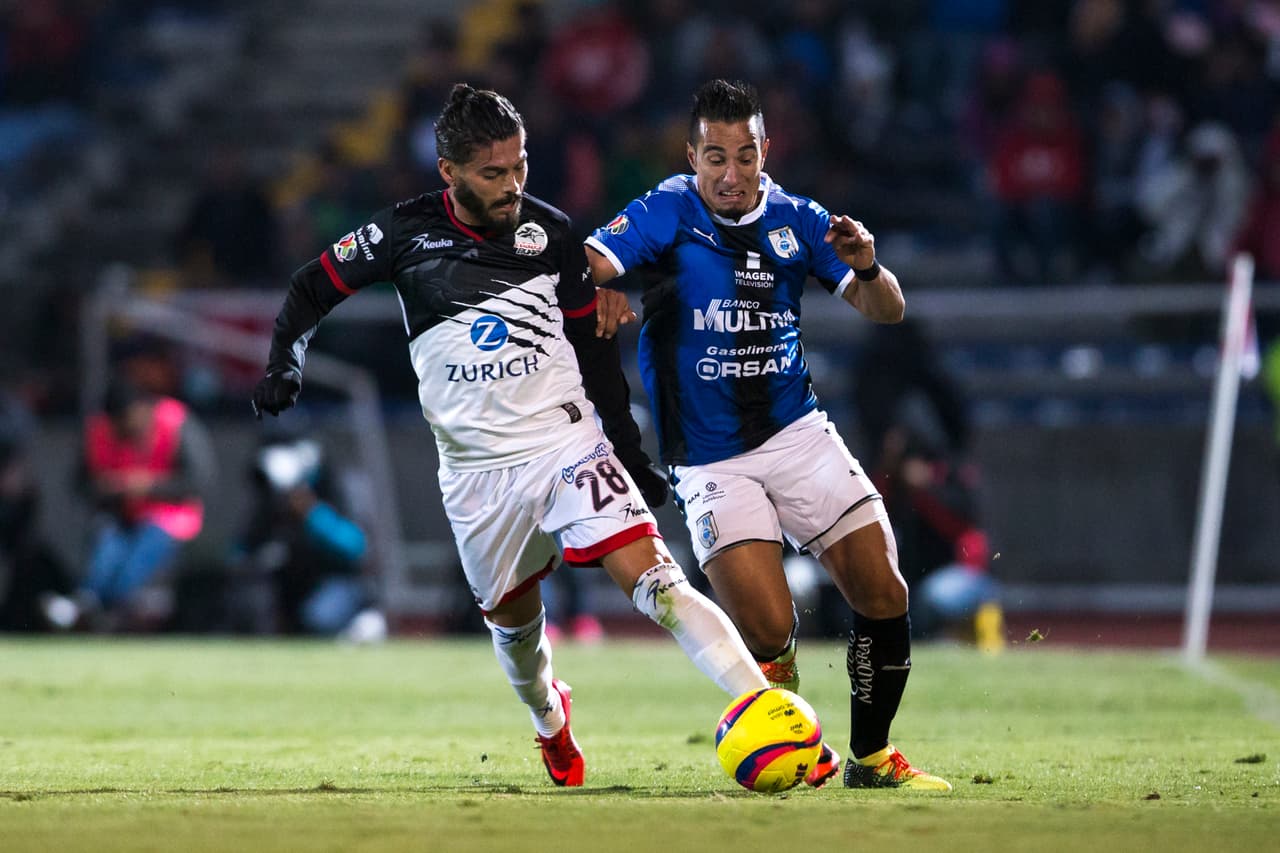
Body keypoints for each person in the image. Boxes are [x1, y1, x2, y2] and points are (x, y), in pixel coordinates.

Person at [250, 84, 838, 788]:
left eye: (520, 166)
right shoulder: (401, 234)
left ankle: (774, 716)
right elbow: (312, 286)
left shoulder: (552, 235)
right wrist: (286, 360)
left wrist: (624, 446)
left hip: (565, 444)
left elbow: (594, 352)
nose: (512, 186)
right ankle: (549, 719)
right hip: (474, 474)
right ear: (449, 173)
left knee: (658, 581)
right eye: (493, 175)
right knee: (517, 633)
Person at [584, 79, 951, 790]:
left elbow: (888, 309)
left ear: (765, 152)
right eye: (715, 156)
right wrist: (602, 283)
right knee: (767, 628)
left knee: (884, 588)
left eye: (745, 155)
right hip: (710, 458)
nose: (730, 173)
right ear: (692, 155)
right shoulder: (668, 209)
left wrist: (869, 263)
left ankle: (871, 758)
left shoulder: (799, 220)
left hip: (798, 434)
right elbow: (593, 262)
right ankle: (794, 745)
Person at [71, 378, 214, 629]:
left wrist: (149, 486)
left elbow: (200, 480)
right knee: (104, 554)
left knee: (135, 563)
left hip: (170, 517)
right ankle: (87, 605)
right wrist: (108, 487)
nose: (123, 428)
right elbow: (79, 484)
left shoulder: (174, 422)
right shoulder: (101, 430)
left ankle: (110, 611)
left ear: (142, 408)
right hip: (121, 516)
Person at [229, 433, 384, 640]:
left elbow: (356, 547)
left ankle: (364, 623)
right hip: (291, 584)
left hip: (338, 580)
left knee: (319, 616)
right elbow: (241, 550)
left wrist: (311, 512)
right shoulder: (270, 502)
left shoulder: (333, 488)